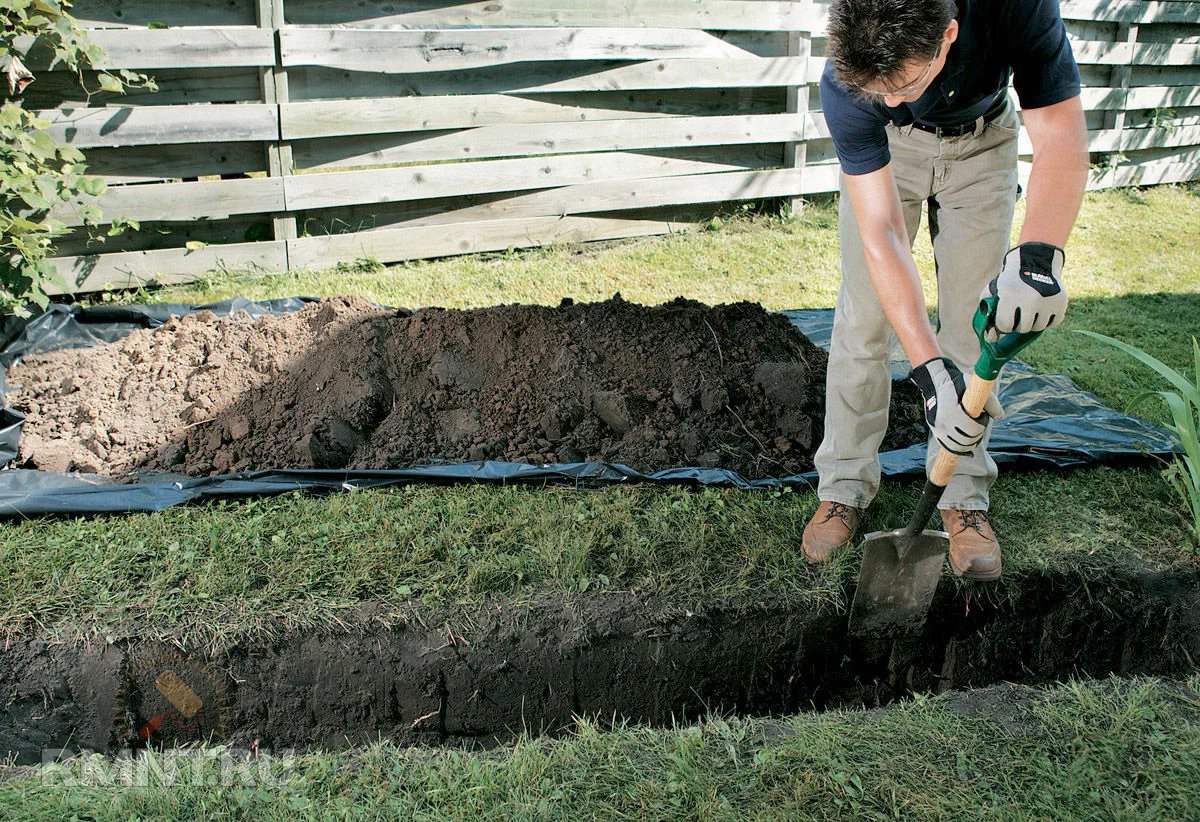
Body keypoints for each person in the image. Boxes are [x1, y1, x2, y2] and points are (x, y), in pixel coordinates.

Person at [801, 0, 1089, 579]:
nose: (889, 97)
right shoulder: (854, 84)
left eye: (902, 82)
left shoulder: (1019, 6)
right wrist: (928, 369)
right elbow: (880, 232)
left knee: (972, 323)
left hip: (983, 145)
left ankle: (963, 497)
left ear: (949, 34)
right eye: (877, 89)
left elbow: (1059, 129)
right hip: (893, 151)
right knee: (864, 321)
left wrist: (1038, 257)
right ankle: (843, 486)